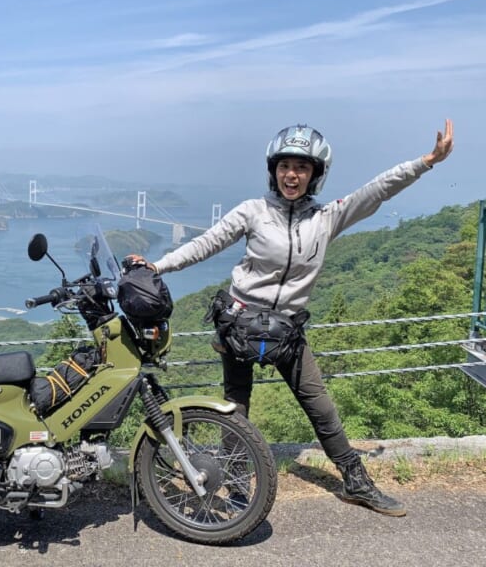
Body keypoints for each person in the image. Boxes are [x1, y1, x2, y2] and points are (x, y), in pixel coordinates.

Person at [135, 120, 454, 517]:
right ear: (273, 170)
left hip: (287, 330)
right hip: (240, 323)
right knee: (235, 406)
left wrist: (426, 161)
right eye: (285, 166)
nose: (291, 175)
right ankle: (237, 486)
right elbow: (207, 242)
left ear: (315, 174)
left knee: (320, 406)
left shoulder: (326, 218)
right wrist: (158, 266)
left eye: (302, 167)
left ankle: (355, 481)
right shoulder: (253, 211)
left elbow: (376, 191)